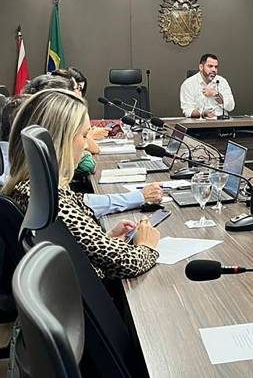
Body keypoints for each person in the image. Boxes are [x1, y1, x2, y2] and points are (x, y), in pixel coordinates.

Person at [2, 89, 160, 279]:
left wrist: (106, 240)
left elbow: (74, 250)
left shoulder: (34, 188)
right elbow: (128, 263)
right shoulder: (51, 201)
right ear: (60, 140)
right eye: (84, 136)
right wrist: (146, 245)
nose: (86, 145)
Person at [22, 73, 163, 216]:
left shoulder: (38, 186)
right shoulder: (51, 200)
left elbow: (80, 202)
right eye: (76, 89)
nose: (79, 93)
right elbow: (88, 164)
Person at [180, 53, 235, 118]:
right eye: (210, 66)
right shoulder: (188, 84)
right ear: (201, 67)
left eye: (216, 67)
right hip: (199, 123)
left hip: (221, 121)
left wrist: (216, 95)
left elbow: (230, 107)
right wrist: (203, 114)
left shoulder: (222, 81)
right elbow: (188, 111)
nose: (214, 70)